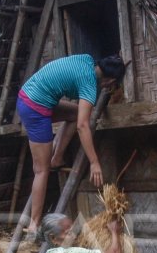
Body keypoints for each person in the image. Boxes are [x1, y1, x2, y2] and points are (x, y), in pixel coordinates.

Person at [16, 54, 127, 236]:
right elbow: (83, 126)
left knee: (75, 113)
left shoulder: (87, 60)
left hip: (32, 96)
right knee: (41, 170)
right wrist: (94, 162)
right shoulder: (89, 84)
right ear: (111, 80)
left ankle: (57, 157)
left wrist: (119, 62)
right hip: (34, 108)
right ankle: (34, 224)